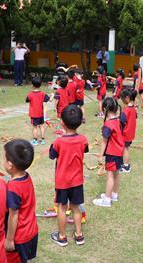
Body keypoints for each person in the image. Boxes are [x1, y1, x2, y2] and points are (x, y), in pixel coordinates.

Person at [0, 139, 38, 263]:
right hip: (32, 232)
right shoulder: (25, 177)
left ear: (11, 165)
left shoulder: (13, 188)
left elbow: (13, 215)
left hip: (19, 236)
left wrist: (9, 239)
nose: (2, 160)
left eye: (4, 158)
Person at [49, 105, 88, 247]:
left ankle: (62, 236)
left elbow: (52, 155)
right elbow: (85, 149)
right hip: (77, 181)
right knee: (76, 207)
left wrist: (58, 140)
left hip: (62, 182)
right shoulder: (83, 139)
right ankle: (79, 235)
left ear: (62, 123)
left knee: (62, 208)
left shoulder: (58, 142)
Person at [93, 97, 124, 208]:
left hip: (112, 153)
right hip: (119, 152)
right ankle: (114, 194)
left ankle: (107, 200)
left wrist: (100, 156)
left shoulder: (108, 124)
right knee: (116, 173)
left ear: (105, 109)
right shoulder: (118, 121)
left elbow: (104, 142)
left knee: (110, 175)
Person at [26, 77, 50, 146]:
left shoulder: (30, 94)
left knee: (35, 127)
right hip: (41, 114)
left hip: (34, 114)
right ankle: (42, 140)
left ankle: (35, 140)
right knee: (42, 126)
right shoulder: (43, 93)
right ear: (40, 85)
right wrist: (51, 95)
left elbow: (27, 100)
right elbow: (47, 99)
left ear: (32, 85)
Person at [119, 88, 137, 173]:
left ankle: (126, 166)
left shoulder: (126, 110)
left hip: (126, 133)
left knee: (125, 149)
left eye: (122, 99)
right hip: (130, 132)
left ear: (127, 98)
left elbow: (121, 122)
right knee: (126, 148)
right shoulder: (133, 108)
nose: (122, 101)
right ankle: (125, 164)